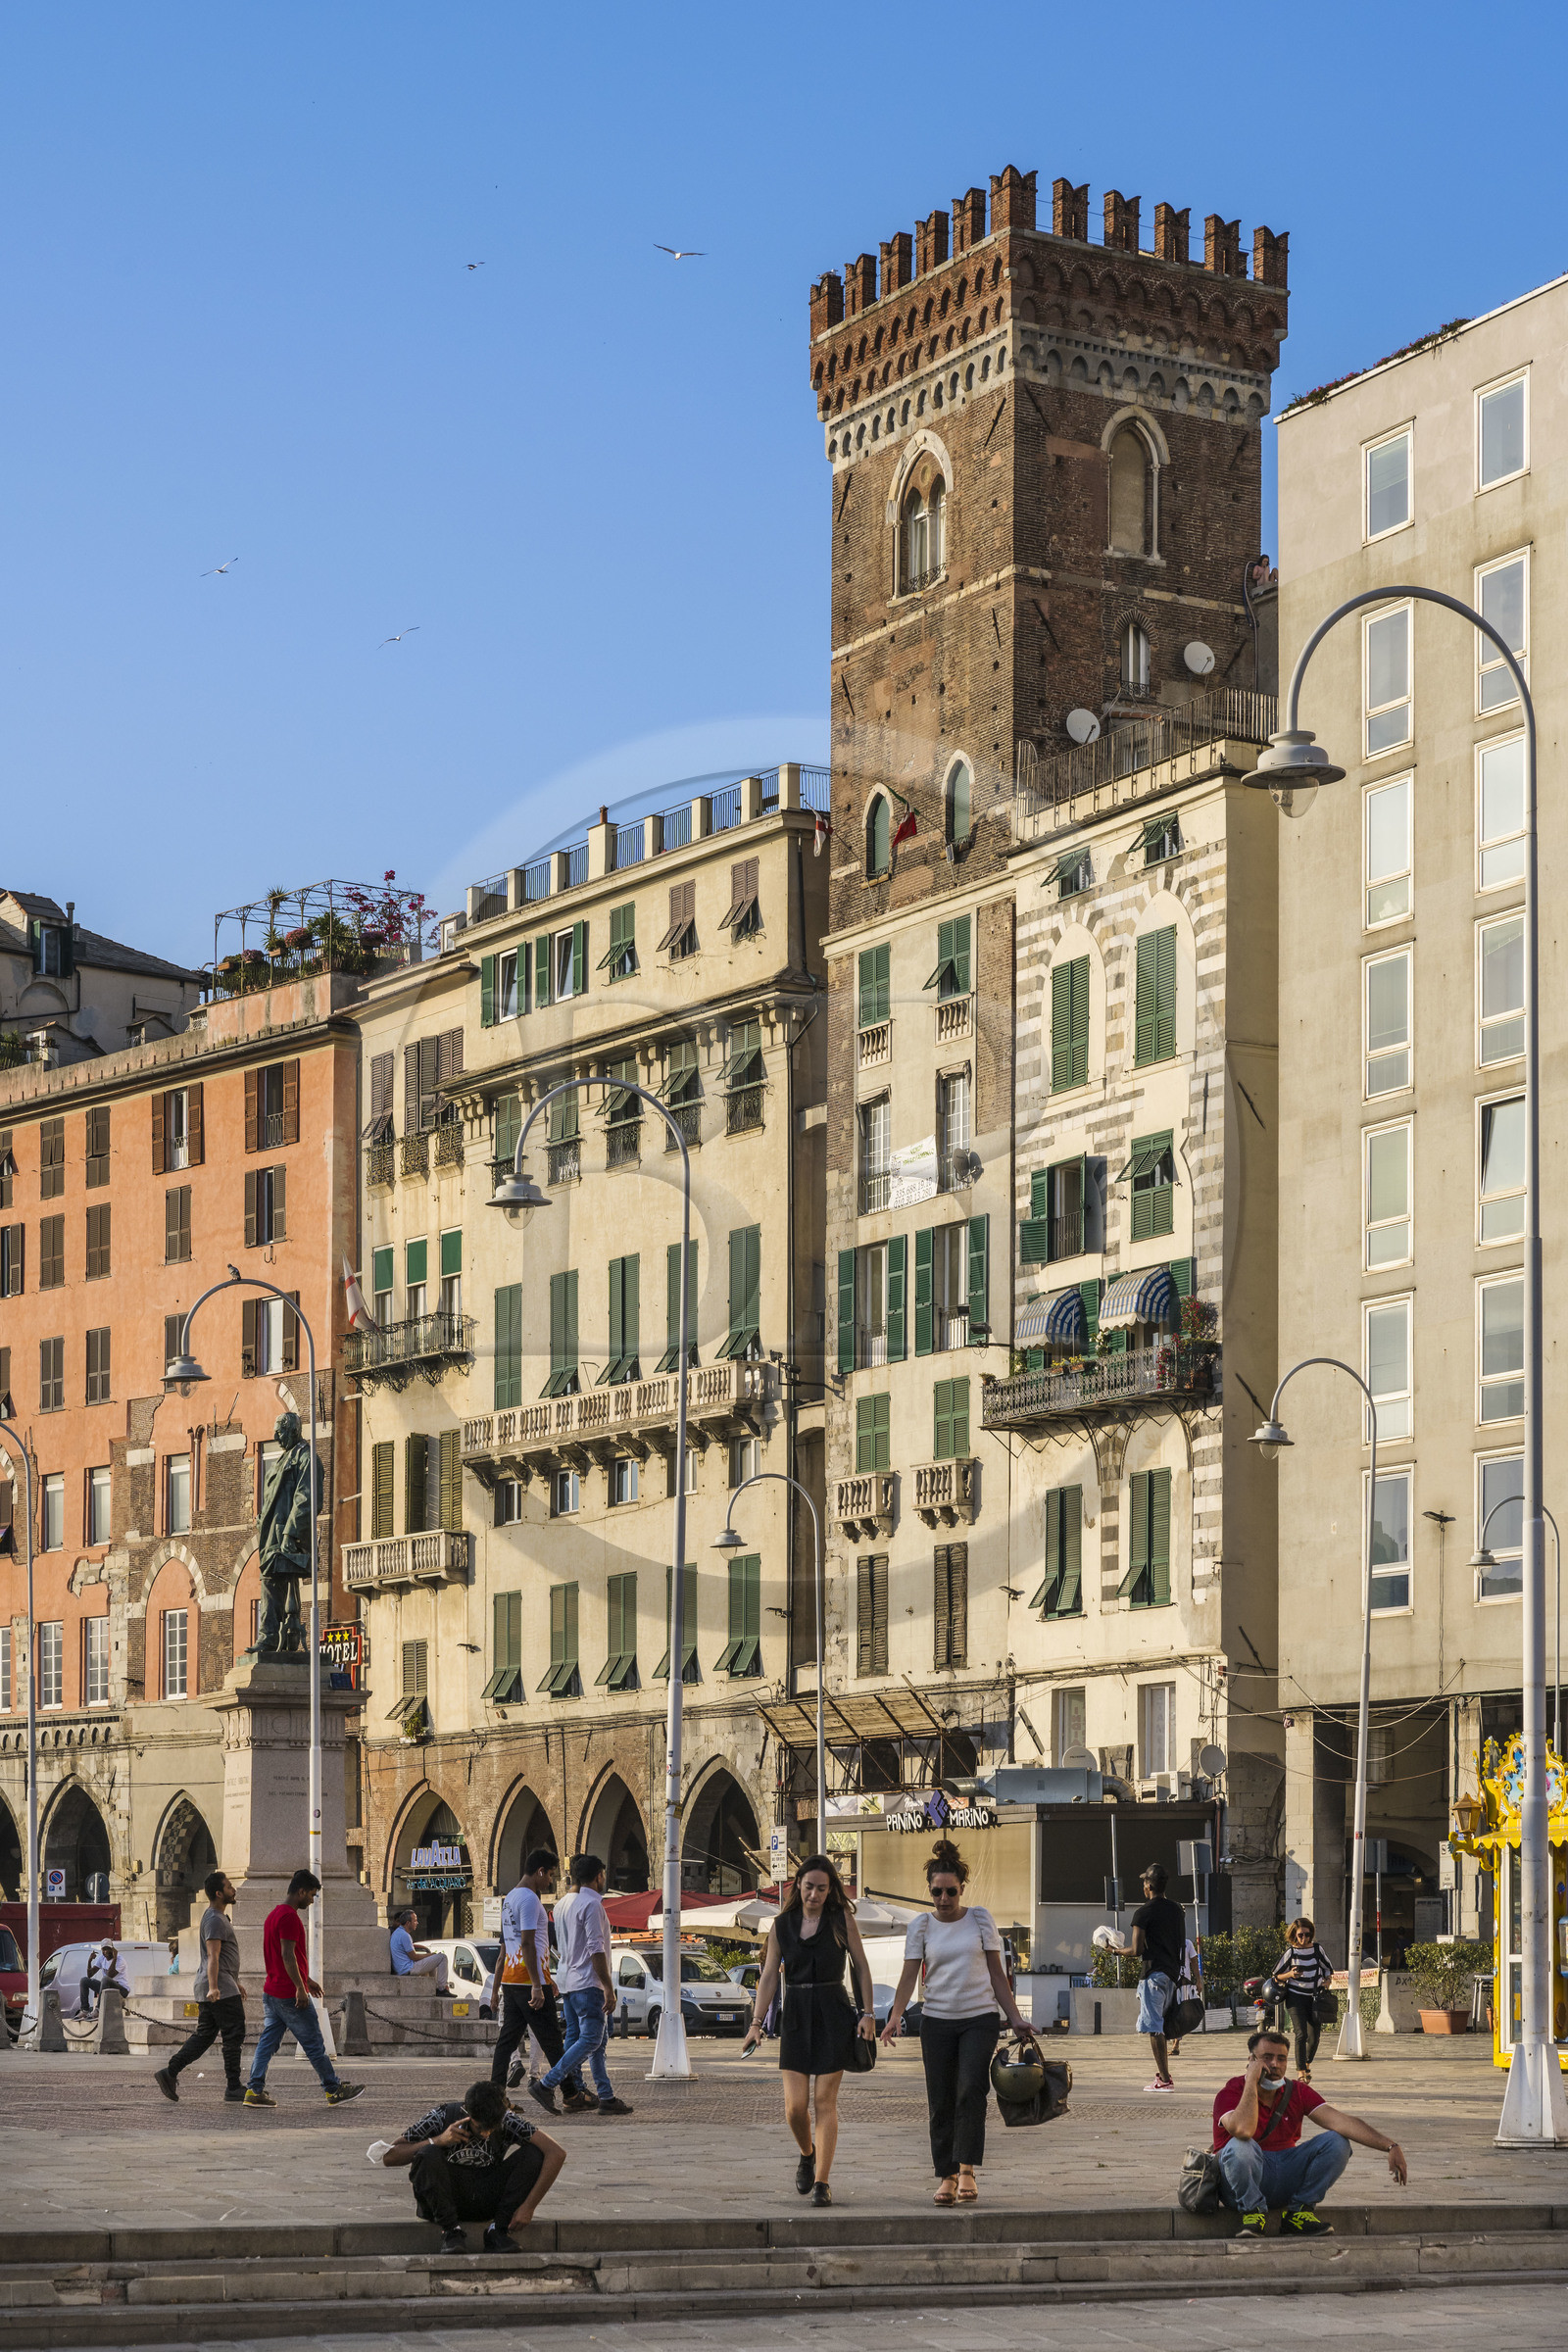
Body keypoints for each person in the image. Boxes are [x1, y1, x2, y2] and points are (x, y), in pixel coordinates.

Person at [881, 1838, 1039, 2207]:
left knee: (970, 2089)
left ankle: (967, 2167)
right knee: (940, 2099)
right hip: (936, 2022)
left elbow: (997, 1976)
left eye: (951, 1891)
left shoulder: (980, 1918)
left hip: (979, 2020)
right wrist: (893, 2017)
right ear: (930, 1891)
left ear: (962, 1889)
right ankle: (946, 2176)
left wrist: (1014, 2018)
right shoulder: (920, 1927)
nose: (944, 1898)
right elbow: (908, 1979)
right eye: (937, 1892)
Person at [743, 1852, 877, 2208]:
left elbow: (861, 1966)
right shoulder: (782, 1925)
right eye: (808, 1887)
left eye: (821, 1888)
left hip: (835, 2012)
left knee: (823, 2102)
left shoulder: (840, 1918)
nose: (814, 1895)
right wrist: (756, 2023)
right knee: (795, 2108)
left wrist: (867, 2013)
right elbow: (769, 1976)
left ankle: (822, 2182)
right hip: (797, 2015)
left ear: (830, 1889)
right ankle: (807, 2152)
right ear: (797, 1886)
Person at [1214, 2024, 1407, 2236]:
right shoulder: (1232, 2091)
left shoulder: (1296, 2091)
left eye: (1281, 2059)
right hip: (1239, 2185)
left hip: (1284, 2173)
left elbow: (1341, 2121)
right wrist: (1251, 2081)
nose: (1274, 2064)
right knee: (1241, 2145)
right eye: (1266, 2057)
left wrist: (1390, 2145)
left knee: (1337, 2142)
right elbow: (1243, 2129)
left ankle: (1299, 2212)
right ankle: (1253, 2212)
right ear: (1251, 2060)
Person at [382, 2077, 566, 2255]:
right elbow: (389, 2156)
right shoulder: (443, 2115)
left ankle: (498, 2231)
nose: (486, 2134)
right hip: (445, 2198)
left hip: (485, 2195)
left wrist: (529, 2206)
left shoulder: (507, 2119)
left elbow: (556, 2153)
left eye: (491, 2128)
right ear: (468, 2113)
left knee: (534, 2154)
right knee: (427, 2154)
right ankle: (451, 2232)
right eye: (480, 2128)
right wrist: (437, 2140)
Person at [244, 1868, 364, 2106]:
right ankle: (333, 2089)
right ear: (300, 1891)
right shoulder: (289, 1917)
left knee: (267, 2043)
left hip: (272, 1992)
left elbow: (285, 1957)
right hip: (289, 1994)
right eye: (311, 1894)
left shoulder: (273, 1915)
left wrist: (307, 1980)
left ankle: (254, 2090)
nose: (312, 1900)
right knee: (314, 2043)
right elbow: (287, 1955)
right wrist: (300, 1987)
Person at [491, 1848, 588, 2110]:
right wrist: (537, 1984)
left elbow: (507, 1946)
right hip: (527, 1981)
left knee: (507, 2042)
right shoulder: (531, 1900)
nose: (550, 1882)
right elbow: (527, 1942)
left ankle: (495, 2099)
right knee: (552, 2040)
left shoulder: (510, 1898)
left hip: (513, 1980)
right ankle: (569, 2093)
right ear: (540, 1871)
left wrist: (543, 1978)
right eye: (550, 1875)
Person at [538, 1854, 632, 2117]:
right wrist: (608, 1986)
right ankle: (548, 2083)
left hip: (569, 1980)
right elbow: (595, 1948)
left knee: (588, 2040)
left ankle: (603, 2095)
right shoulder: (592, 1906)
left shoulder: (562, 1905)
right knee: (591, 2039)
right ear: (599, 1875)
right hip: (588, 1982)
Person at [155, 1870, 246, 2104]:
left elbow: (220, 1958)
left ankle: (170, 2072)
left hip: (222, 1983)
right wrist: (215, 1987)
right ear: (218, 1893)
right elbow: (212, 1956)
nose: (233, 1889)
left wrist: (234, 1981)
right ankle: (234, 2087)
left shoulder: (217, 1917)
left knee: (205, 2036)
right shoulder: (215, 1919)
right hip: (218, 1987)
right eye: (228, 1886)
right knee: (234, 2033)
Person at [1129, 1862, 1185, 2091]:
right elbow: (1181, 1942)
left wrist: (1113, 1950)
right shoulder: (1176, 1910)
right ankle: (1164, 2077)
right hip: (1172, 1975)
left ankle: (1164, 2079)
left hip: (1153, 1976)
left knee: (1155, 2028)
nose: (1143, 1885)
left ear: (1148, 1886)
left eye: (1144, 1881)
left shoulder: (1143, 1912)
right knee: (1160, 2026)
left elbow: (1136, 1950)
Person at [1272, 1916, 1333, 2082]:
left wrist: (1327, 1981)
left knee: (1314, 2037)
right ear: (1294, 1935)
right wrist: (1290, 1974)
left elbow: (1328, 1969)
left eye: (1307, 1934)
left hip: (1314, 1998)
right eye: (1300, 1935)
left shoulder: (1317, 1950)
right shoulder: (1291, 1953)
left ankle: (1306, 2063)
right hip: (1295, 1997)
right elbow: (1276, 1975)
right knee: (1301, 2034)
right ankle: (1301, 2072)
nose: (1304, 1938)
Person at [391, 1908, 451, 1992]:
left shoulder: (398, 1933)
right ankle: (442, 1988)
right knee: (442, 1957)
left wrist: (430, 1957)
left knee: (433, 1962)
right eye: (415, 1921)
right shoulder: (404, 1935)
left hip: (403, 1968)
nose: (417, 1923)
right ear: (408, 1923)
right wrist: (431, 1955)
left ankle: (436, 1987)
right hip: (408, 1969)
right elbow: (414, 1957)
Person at [1168, 1932, 1204, 2058]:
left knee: (1180, 2012)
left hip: (1184, 1984)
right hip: (1169, 1982)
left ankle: (1176, 2043)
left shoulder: (1187, 1944)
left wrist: (1198, 1981)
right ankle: (1172, 2038)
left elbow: (1194, 1963)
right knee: (1171, 2011)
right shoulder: (1167, 1943)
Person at [80, 1940, 128, 2018]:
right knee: (84, 1980)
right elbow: (90, 1974)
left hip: (122, 1990)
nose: (106, 1952)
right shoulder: (102, 1958)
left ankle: (98, 2009)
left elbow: (109, 1976)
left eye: (108, 1949)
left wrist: (115, 1958)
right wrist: (90, 1961)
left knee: (105, 1979)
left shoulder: (120, 1960)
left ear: (112, 1949)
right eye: (104, 1950)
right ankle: (85, 2010)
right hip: (108, 1988)